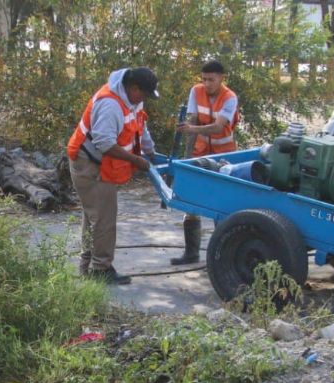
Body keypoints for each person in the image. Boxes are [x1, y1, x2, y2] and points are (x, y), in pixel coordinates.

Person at [66, 67, 159, 285]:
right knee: (103, 217)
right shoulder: (110, 105)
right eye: (144, 94)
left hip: (97, 162)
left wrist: (150, 150)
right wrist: (136, 160)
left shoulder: (133, 101)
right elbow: (105, 143)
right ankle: (101, 269)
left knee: (94, 216)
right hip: (88, 164)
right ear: (134, 88)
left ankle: (88, 266)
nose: (144, 99)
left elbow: (139, 126)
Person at [170, 60, 239, 265]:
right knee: (191, 202)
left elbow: (218, 128)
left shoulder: (230, 98)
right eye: (204, 79)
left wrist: (193, 130)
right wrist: (187, 157)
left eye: (211, 79)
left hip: (224, 157)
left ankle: (224, 257)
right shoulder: (196, 91)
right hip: (200, 154)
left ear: (221, 78)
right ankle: (191, 253)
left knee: (222, 206)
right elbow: (192, 121)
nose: (207, 83)